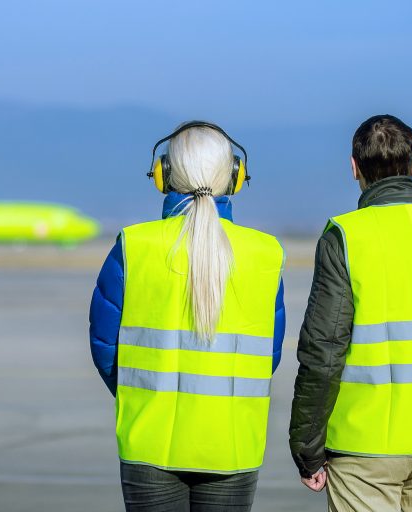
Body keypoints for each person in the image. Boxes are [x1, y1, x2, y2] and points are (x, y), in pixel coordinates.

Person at [288, 115, 412, 512]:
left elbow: (323, 352)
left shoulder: (344, 236)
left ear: (354, 168)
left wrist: (306, 447)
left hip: (363, 449)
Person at [89, 121, 286, 512]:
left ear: (162, 175)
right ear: (235, 177)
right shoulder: (266, 254)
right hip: (232, 444)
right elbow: (270, 355)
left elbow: (105, 347)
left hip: (149, 441)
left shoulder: (133, 246)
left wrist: (143, 393)